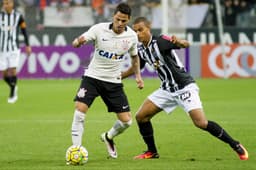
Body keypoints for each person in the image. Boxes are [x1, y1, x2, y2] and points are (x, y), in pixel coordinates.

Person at [121, 17, 249, 160]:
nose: (138, 34)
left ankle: (235, 144)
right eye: (135, 31)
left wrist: (180, 42)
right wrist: (118, 76)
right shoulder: (141, 49)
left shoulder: (161, 41)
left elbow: (185, 44)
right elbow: (137, 66)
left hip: (184, 87)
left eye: (141, 30)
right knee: (141, 117)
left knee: (201, 123)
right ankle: (152, 152)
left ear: (149, 28)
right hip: (167, 89)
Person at [70, 3, 144, 159]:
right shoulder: (99, 29)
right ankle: (76, 150)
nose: (119, 23)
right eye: (117, 19)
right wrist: (78, 41)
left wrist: (137, 76)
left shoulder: (131, 37)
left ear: (128, 20)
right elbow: (83, 38)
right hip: (93, 78)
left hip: (113, 82)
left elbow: (135, 57)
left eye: (123, 21)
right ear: (113, 16)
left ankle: (108, 137)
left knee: (127, 122)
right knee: (79, 111)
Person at [0, 0, 32, 103]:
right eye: (4, 3)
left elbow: (24, 31)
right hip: (2, 49)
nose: (5, 5)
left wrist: (27, 45)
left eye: (7, 3)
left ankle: (12, 93)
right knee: (4, 74)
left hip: (14, 48)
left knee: (13, 70)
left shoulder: (19, 16)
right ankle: (13, 86)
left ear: (12, 4)